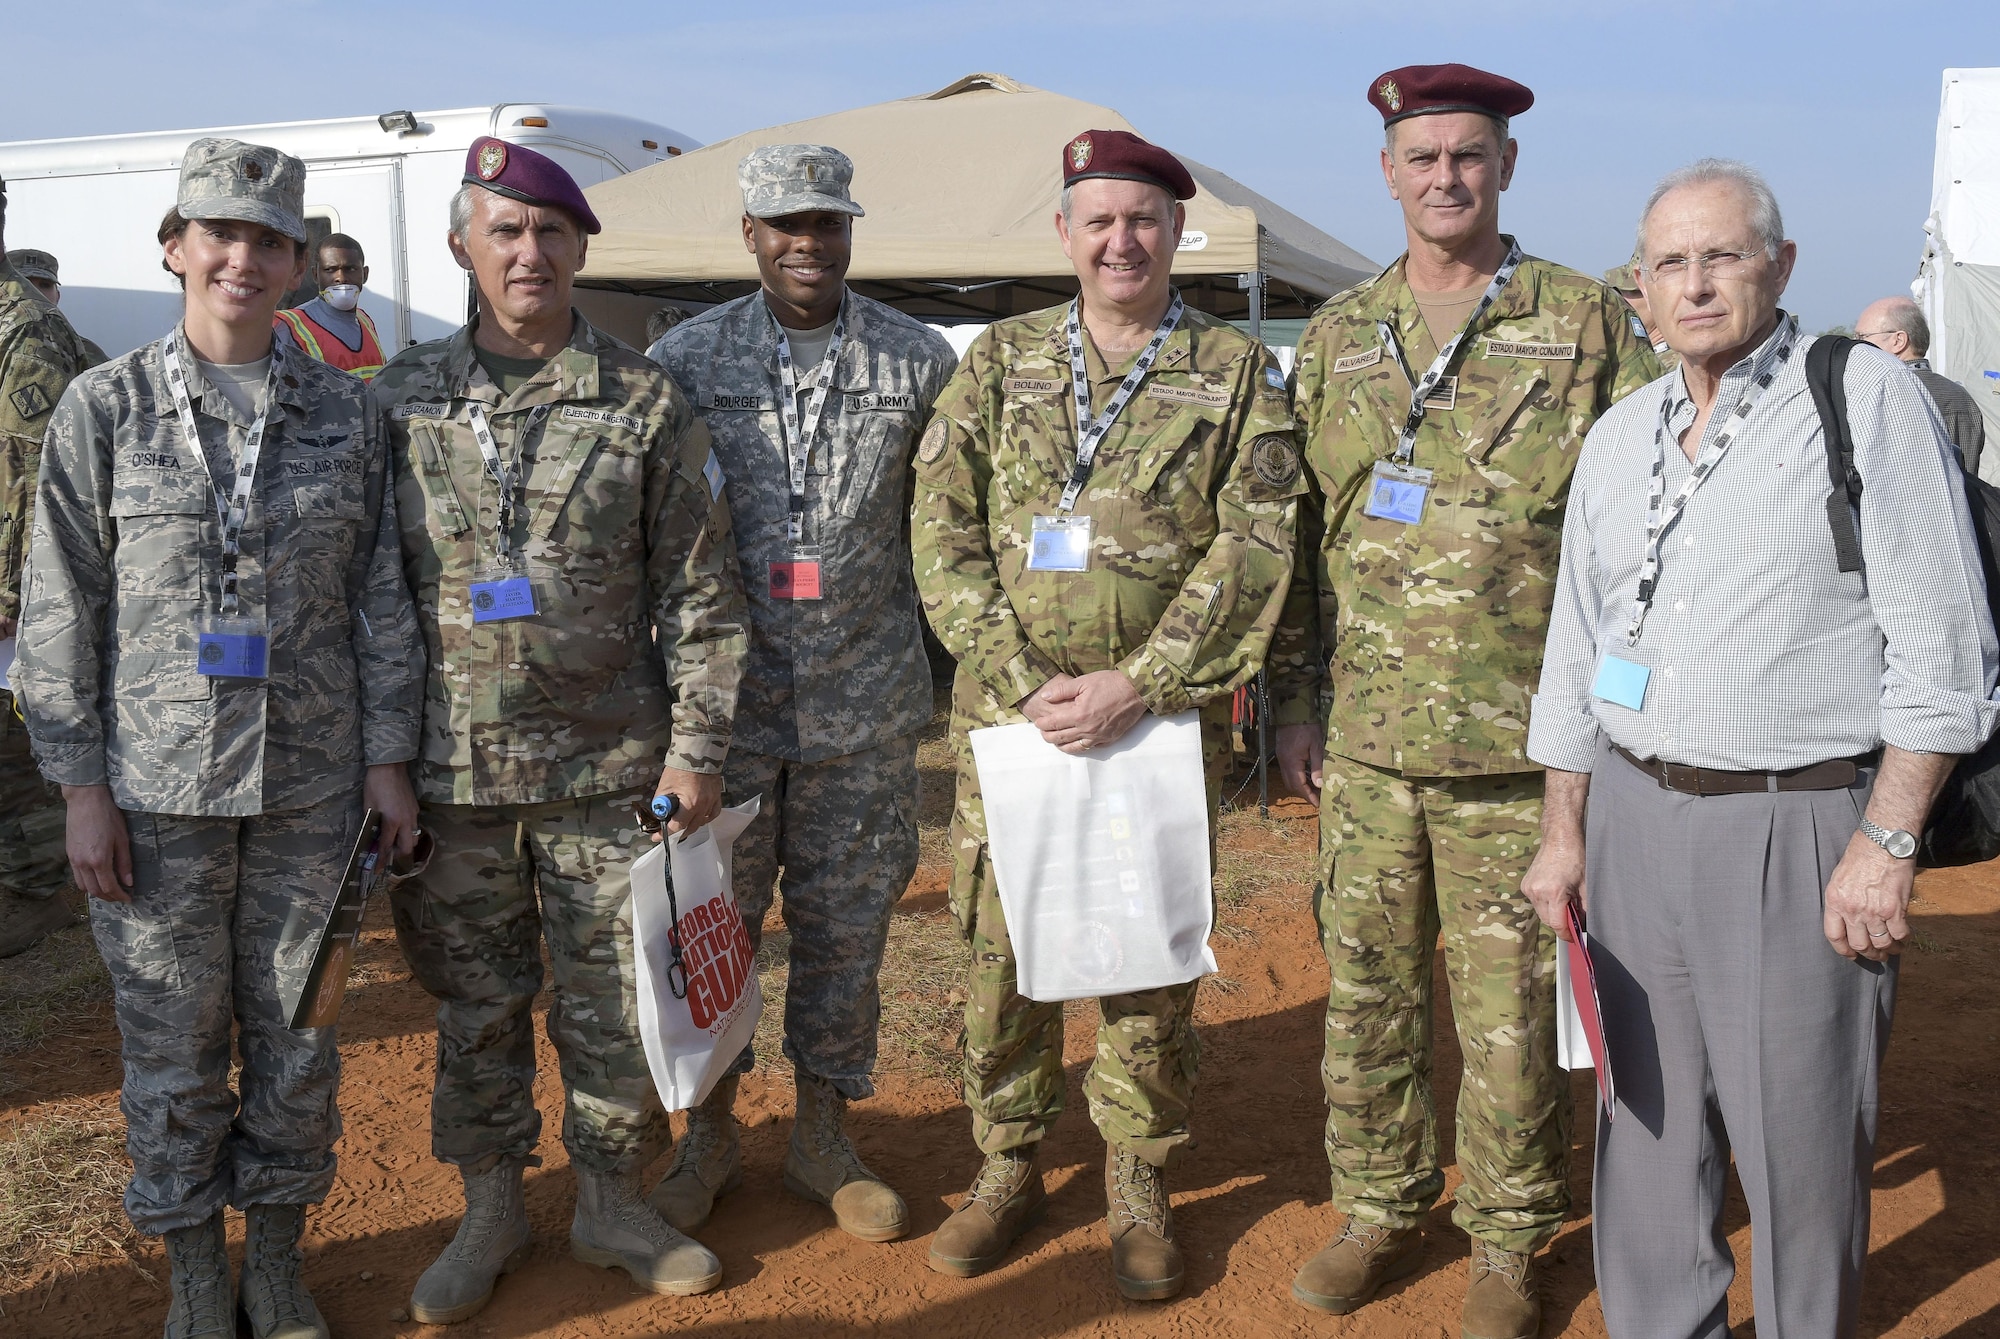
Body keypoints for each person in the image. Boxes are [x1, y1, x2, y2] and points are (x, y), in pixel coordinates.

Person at [1525, 158, 1998, 1339]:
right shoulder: (1617, 434)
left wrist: (1884, 840)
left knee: (1796, 1139)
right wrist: (1562, 832)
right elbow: (1574, 651)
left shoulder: (1862, 399)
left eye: (1721, 255)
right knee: (1644, 1127)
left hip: (1796, 826)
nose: (1694, 284)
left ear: (1778, 266)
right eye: (1668, 264)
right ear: (1637, 289)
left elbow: (1942, 645)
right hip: (1632, 821)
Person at [1272, 64, 1659, 1339]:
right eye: (1422, 157)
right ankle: (1380, 1208)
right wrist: (1291, 702)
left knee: (1504, 1017)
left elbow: (1639, 537)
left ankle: (1507, 1238)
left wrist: (1611, 729)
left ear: (1504, 168)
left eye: (1469, 157)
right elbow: (1299, 539)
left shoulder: (1587, 323)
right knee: (1367, 998)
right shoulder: (1335, 336)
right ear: (1387, 172)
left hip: (1523, 747)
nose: (1446, 178)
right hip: (1368, 750)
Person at [14, 138, 424, 1339]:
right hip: (155, 797)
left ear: (299, 264)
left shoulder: (348, 413)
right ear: (175, 245)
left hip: (313, 792)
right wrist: (80, 785)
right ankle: (198, 1272)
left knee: (299, 1038)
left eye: (270, 240)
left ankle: (280, 1263)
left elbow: (379, 597)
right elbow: (60, 605)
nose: (245, 257)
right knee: (173, 1050)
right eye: (222, 233)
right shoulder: (104, 405)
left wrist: (386, 761)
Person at [913, 128, 1304, 1302]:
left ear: (1176, 232)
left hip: (1155, 724)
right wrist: (1020, 671)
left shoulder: (1233, 371)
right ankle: (1008, 1162)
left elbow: (1257, 542)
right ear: (1064, 234)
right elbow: (942, 524)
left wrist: (1143, 679)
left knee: (1143, 955)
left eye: (1142, 219)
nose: (1120, 239)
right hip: (1011, 725)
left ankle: (1136, 1173)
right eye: (1099, 219)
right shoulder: (998, 361)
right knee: (1001, 948)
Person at [373, 136, 749, 1324]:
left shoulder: (643, 399)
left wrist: (696, 751)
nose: (527, 251)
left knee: (609, 1003)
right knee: (474, 1005)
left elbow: (702, 590)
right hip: (450, 779)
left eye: (548, 232)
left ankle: (608, 1199)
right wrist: (380, 763)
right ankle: (489, 1206)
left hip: (606, 771)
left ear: (581, 247)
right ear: (460, 249)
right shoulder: (396, 400)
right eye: (503, 231)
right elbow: (364, 594)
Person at [645, 144, 957, 1246]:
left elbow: (949, 525)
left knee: (844, 932)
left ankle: (823, 1134)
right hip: (721, 723)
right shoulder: (685, 359)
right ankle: (711, 1137)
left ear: (848, 232)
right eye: (783, 223)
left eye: (824, 222)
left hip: (861, 715)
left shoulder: (916, 360)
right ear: (748, 234)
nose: (805, 242)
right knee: (715, 931)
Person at [0, 189, 93, 961]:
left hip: (21, 577)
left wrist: (8, 588)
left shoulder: (25, 326)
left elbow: (28, 468)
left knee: (16, 732)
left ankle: (35, 891)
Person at [1856, 295, 1986, 477]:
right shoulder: (1962, 396)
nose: (1855, 346)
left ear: (1898, 341)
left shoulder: (1886, 395)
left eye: (1862, 336)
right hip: (1966, 504)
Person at [273, 233, 387, 379]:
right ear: (315, 275)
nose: (341, 278)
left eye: (350, 269)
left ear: (365, 274)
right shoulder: (288, 326)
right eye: (330, 269)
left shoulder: (365, 320)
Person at [6, 247, 110, 366]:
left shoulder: (85, 352)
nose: (35, 292)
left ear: (57, 297)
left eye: (45, 285)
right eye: (23, 283)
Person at [1604, 260, 1676, 370]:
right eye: (1616, 290)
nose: (1616, 297)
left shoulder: (1674, 366)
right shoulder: (1642, 357)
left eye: (1628, 291)